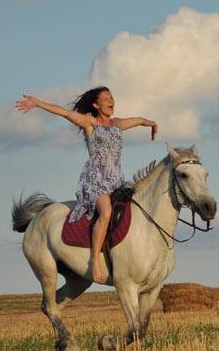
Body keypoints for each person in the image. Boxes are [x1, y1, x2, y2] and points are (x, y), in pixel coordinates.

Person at [15, 86, 158, 283]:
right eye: (106, 98)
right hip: (95, 182)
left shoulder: (117, 124)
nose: (111, 101)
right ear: (95, 104)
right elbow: (64, 112)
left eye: (112, 98)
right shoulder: (90, 123)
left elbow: (138, 120)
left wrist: (149, 123)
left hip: (116, 181)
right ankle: (95, 261)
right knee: (106, 212)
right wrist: (38, 103)